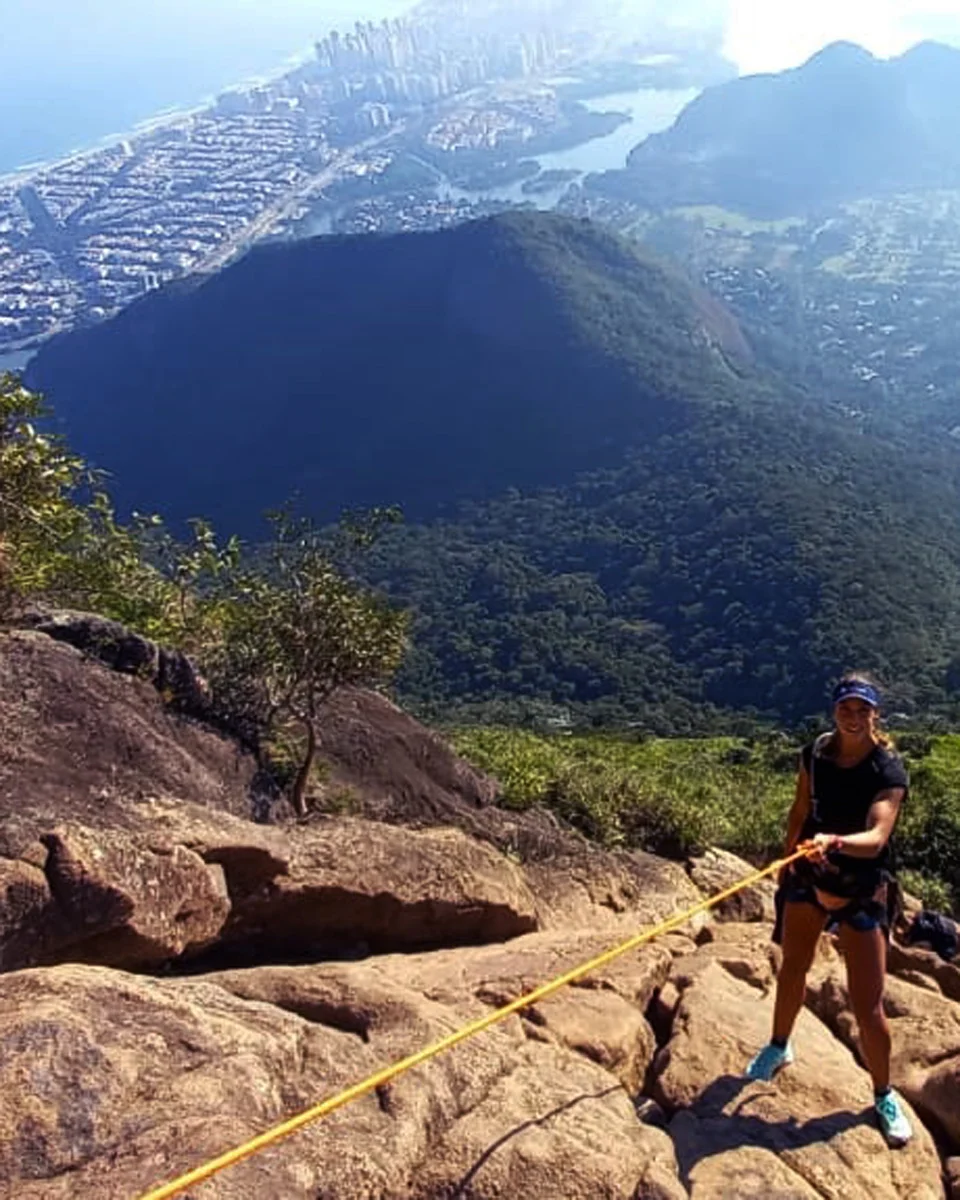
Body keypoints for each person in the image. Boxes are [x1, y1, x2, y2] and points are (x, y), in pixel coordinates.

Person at [746, 674, 913, 1147]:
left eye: (863, 710)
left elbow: (877, 836)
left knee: (869, 1005)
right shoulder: (815, 756)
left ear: (875, 715)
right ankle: (779, 1046)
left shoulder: (888, 769)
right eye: (847, 708)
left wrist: (835, 842)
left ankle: (883, 1093)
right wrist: (785, 857)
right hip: (809, 875)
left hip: (860, 886)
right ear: (834, 711)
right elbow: (800, 810)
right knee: (793, 969)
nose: (854, 717)